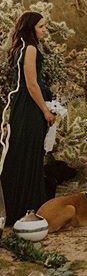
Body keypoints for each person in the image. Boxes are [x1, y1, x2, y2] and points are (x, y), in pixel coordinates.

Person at [0, 12, 56, 225]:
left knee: (23, 152)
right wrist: (45, 110)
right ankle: (27, 207)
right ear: (30, 28)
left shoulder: (19, 47)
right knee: (29, 153)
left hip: (22, 105)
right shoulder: (30, 49)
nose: (44, 30)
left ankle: (20, 206)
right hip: (29, 107)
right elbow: (31, 83)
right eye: (41, 26)